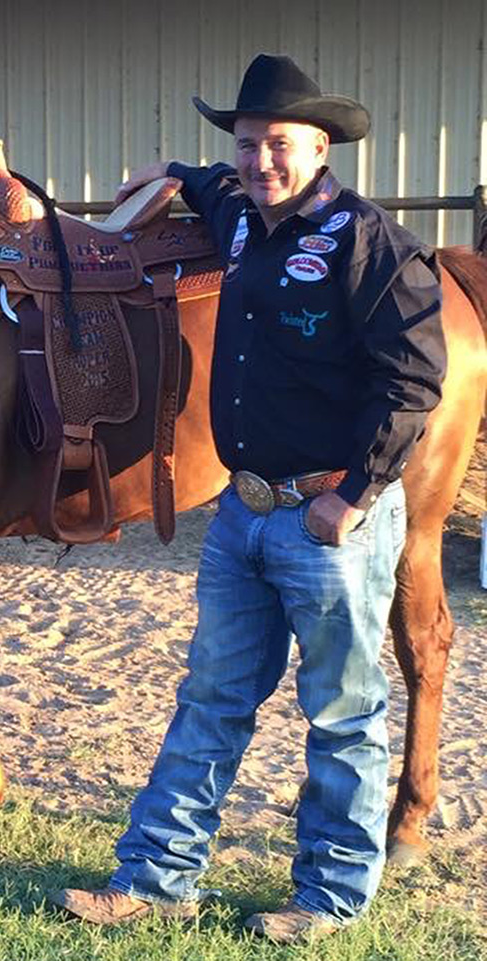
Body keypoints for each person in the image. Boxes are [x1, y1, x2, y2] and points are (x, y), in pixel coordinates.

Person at [49, 54, 446, 944]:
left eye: (279, 144)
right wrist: (172, 175)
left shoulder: (369, 243)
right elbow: (216, 185)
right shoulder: (239, 218)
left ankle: (331, 896)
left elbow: (415, 378)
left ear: (319, 146)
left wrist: (354, 493)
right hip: (242, 515)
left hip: (325, 518)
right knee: (212, 696)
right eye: (246, 144)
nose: (262, 160)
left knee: (343, 710)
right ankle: (156, 876)